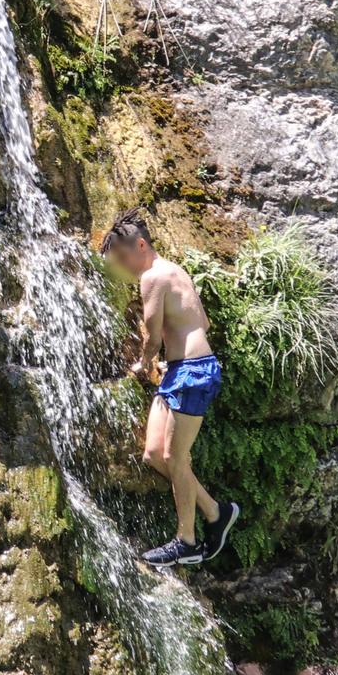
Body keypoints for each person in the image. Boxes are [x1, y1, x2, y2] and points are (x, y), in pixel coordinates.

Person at [99, 209, 238, 566]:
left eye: (124, 257)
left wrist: (144, 363)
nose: (125, 266)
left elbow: (151, 333)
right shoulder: (175, 271)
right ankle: (214, 512)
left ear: (140, 245)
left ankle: (187, 541)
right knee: (154, 455)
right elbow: (201, 321)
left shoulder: (152, 278)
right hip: (186, 369)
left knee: (176, 458)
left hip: (191, 372)